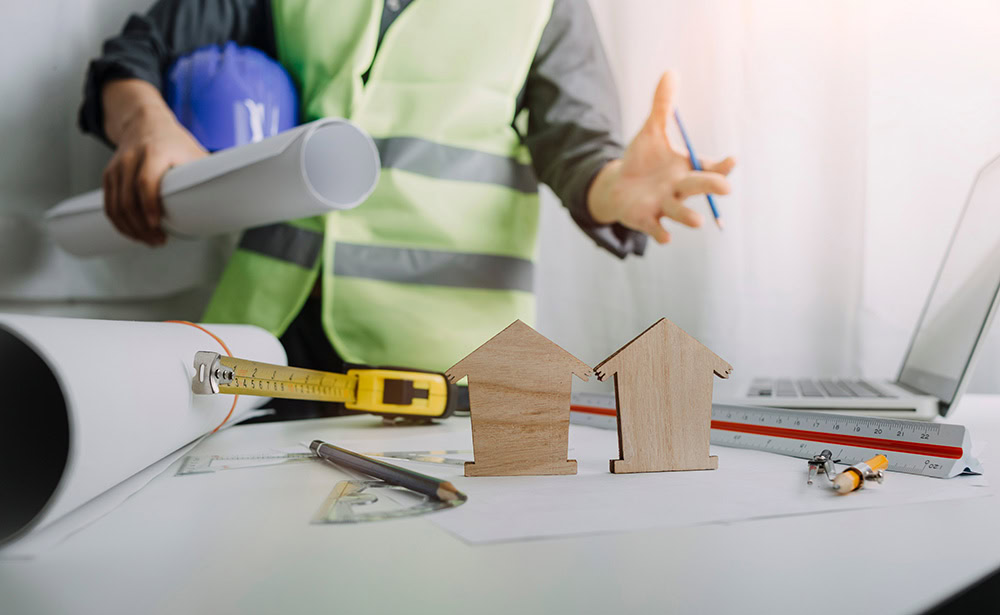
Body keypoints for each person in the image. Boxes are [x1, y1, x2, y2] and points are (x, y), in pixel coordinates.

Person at [80, 0, 735, 418]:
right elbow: (134, 53)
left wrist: (614, 184)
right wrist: (146, 124)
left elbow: (575, 145)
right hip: (263, 341)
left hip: (446, 371)